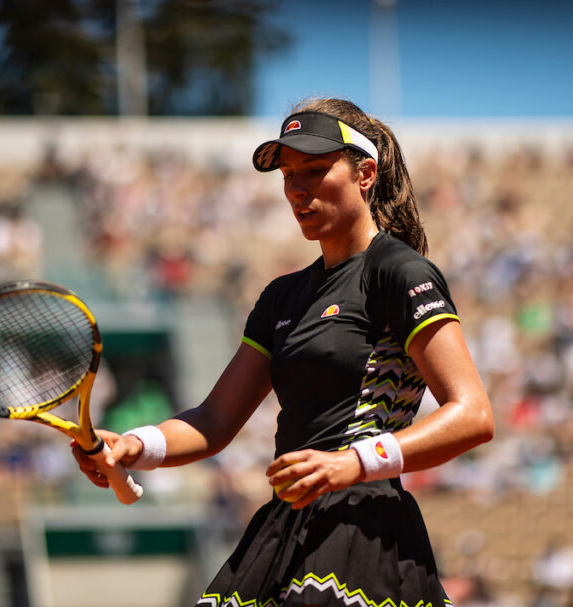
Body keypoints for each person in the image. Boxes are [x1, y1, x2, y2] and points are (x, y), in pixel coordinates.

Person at [74, 97, 495, 606]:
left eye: (315, 170)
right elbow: (213, 419)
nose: (297, 188)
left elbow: (473, 414)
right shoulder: (281, 295)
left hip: (362, 526)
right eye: (288, 174)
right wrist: (137, 446)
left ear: (366, 173)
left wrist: (353, 462)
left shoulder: (399, 272)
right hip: (283, 525)